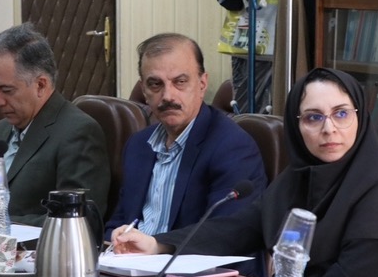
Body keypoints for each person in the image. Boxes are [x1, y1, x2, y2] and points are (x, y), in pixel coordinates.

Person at [112, 69, 378, 277]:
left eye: (341, 114)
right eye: (313, 117)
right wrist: (157, 244)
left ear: (360, 117)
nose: (329, 129)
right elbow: (238, 228)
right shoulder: (299, 177)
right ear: (296, 127)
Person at [106, 33, 266, 237]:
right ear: (144, 90)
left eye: (180, 82)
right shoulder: (138, 145)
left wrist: (156, 247)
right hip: (131, 257)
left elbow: (225, 236)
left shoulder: (232, 147)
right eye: (155, 84)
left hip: (186, 257)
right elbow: (120, 220)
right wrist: (114, 239)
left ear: (202, 84)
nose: (168, 96)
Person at [0, 22, 110, 224]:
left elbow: (76, 218)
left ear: (40, 85)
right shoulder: (2, 130)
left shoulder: (78, 132)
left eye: (6, 90)